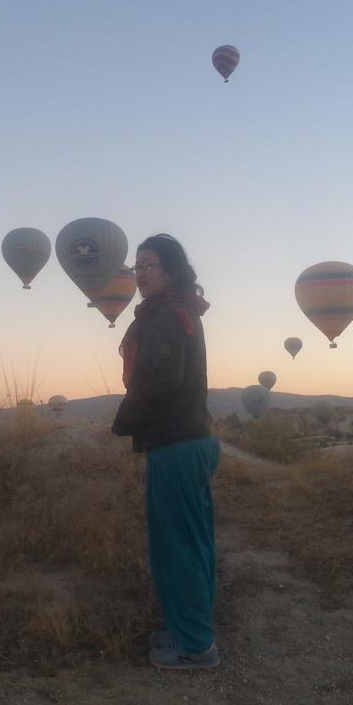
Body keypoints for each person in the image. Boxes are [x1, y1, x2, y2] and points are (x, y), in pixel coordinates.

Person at [112, 234, 221, 670]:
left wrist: (122, 421)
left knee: (177, 548)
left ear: (171, 269)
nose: (140, 274)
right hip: (192, 440)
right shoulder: (180, 311)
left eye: (149, 265)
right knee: (193, 544)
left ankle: (195, 646)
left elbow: (159, 381)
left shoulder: (168, 316)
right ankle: (189, 628)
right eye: (136, 266)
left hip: (175, 444)